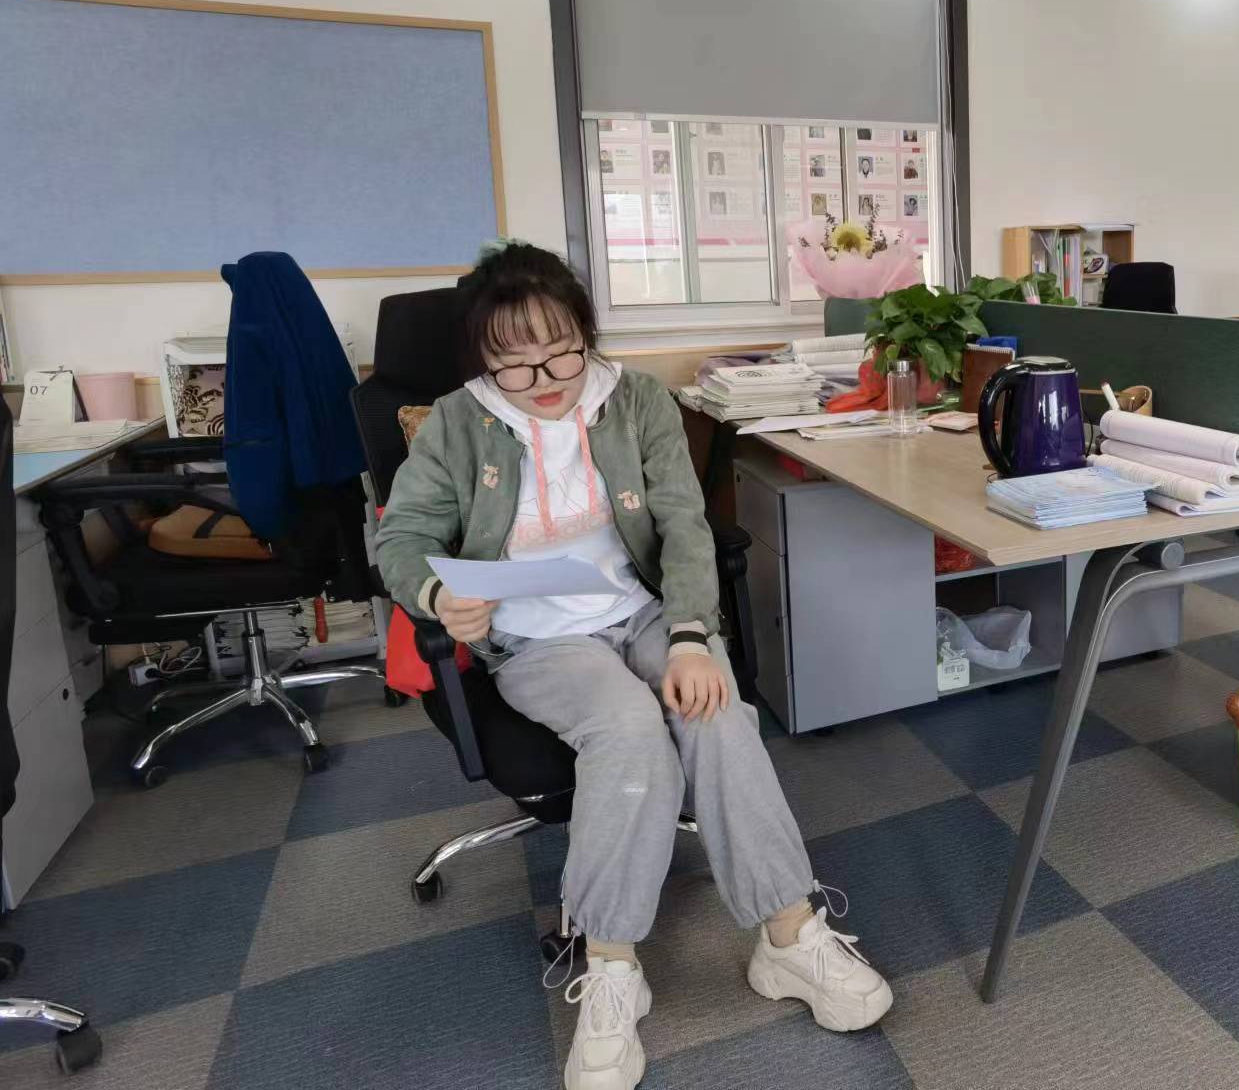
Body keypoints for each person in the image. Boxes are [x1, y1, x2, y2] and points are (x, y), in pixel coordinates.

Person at [375, 243, 891, 1090]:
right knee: (627, 730)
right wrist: (436, 593)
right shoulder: (457, 423)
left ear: (587, 334)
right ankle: (611, 967)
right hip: (539, 638)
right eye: (514, 364)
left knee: (715, 708)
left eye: (562, 352)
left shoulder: (638, 399)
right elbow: (399, 537)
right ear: (483, 360)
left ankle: (789, 937)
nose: (544, 378)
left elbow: (685, 524)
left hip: (646, 610)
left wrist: (689, 634)